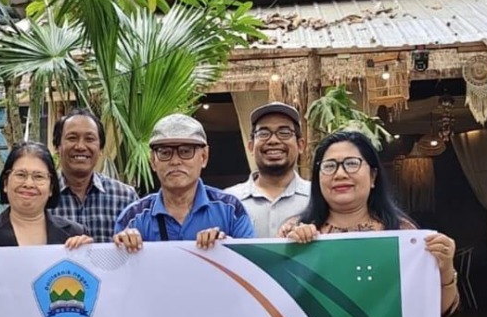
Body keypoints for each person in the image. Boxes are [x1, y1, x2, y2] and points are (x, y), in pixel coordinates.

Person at [279, 130, 460, 315]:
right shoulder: (294, 229)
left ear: (373, 176)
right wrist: (291, 250)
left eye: (351, 164)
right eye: (329, 166)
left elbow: (433, 311)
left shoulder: (402, 233)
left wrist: (446, 269)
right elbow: (279, 304)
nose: (340, 174)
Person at [113, 113, 255, 252]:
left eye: (186, 151)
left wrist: (228, 248)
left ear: (204, 156)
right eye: (165, 152)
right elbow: (117, 266)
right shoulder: (133, 218)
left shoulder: (231, 211)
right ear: (153, 161)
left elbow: (251, 262)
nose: (175, 161)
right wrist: (124, 248)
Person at [0, 142, 91, 253]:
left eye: (38, 176)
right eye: (20, 175)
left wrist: (88, 254)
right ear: (5, 183)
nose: (29, 184)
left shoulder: (75, 234)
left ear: (51, 188)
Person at [50, 108, 138, 243]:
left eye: (89, 139)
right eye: (72, 138)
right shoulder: (42, 196)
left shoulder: (125, 198)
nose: (80, 146)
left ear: (101, 149)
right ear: (58, 147)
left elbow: (142, 247)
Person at [225, 102, 310, 238]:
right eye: (263, 133)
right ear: (251, 146)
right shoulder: (228, 201)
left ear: (300, 145)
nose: (273, 140)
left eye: (284, 133)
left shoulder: (317, 198)